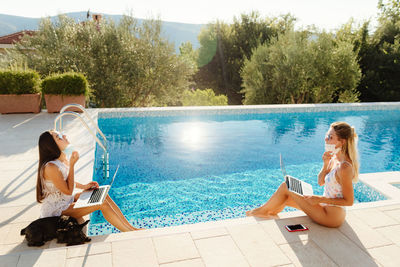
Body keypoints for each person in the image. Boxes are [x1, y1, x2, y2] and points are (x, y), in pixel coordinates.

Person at [246, 122, 359, 228]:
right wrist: (325, 165)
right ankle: (265, 213)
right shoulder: (333, 158)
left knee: (286, 186)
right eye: (326, 135)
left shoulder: (344, 167)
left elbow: (349, 201)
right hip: (324, 207)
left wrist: (319, 199)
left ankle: (257, 212)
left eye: (330, 137)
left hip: (332, 216)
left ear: (342, 142)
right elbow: (320, 182)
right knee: (285, 198)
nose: (325, 139)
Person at [36, 130, 140, 231]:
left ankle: (131, 228)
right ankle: (129, 232)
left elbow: (65, 182)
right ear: (52, 146)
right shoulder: (50, 167)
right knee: (101, 203)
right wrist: (72, 166)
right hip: (56, 210)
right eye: (59, 137)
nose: (64, 136)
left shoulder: (62, 159)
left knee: (101, 194)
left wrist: (84, 186)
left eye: (61, 134)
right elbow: (67, 190)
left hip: (67, 200)